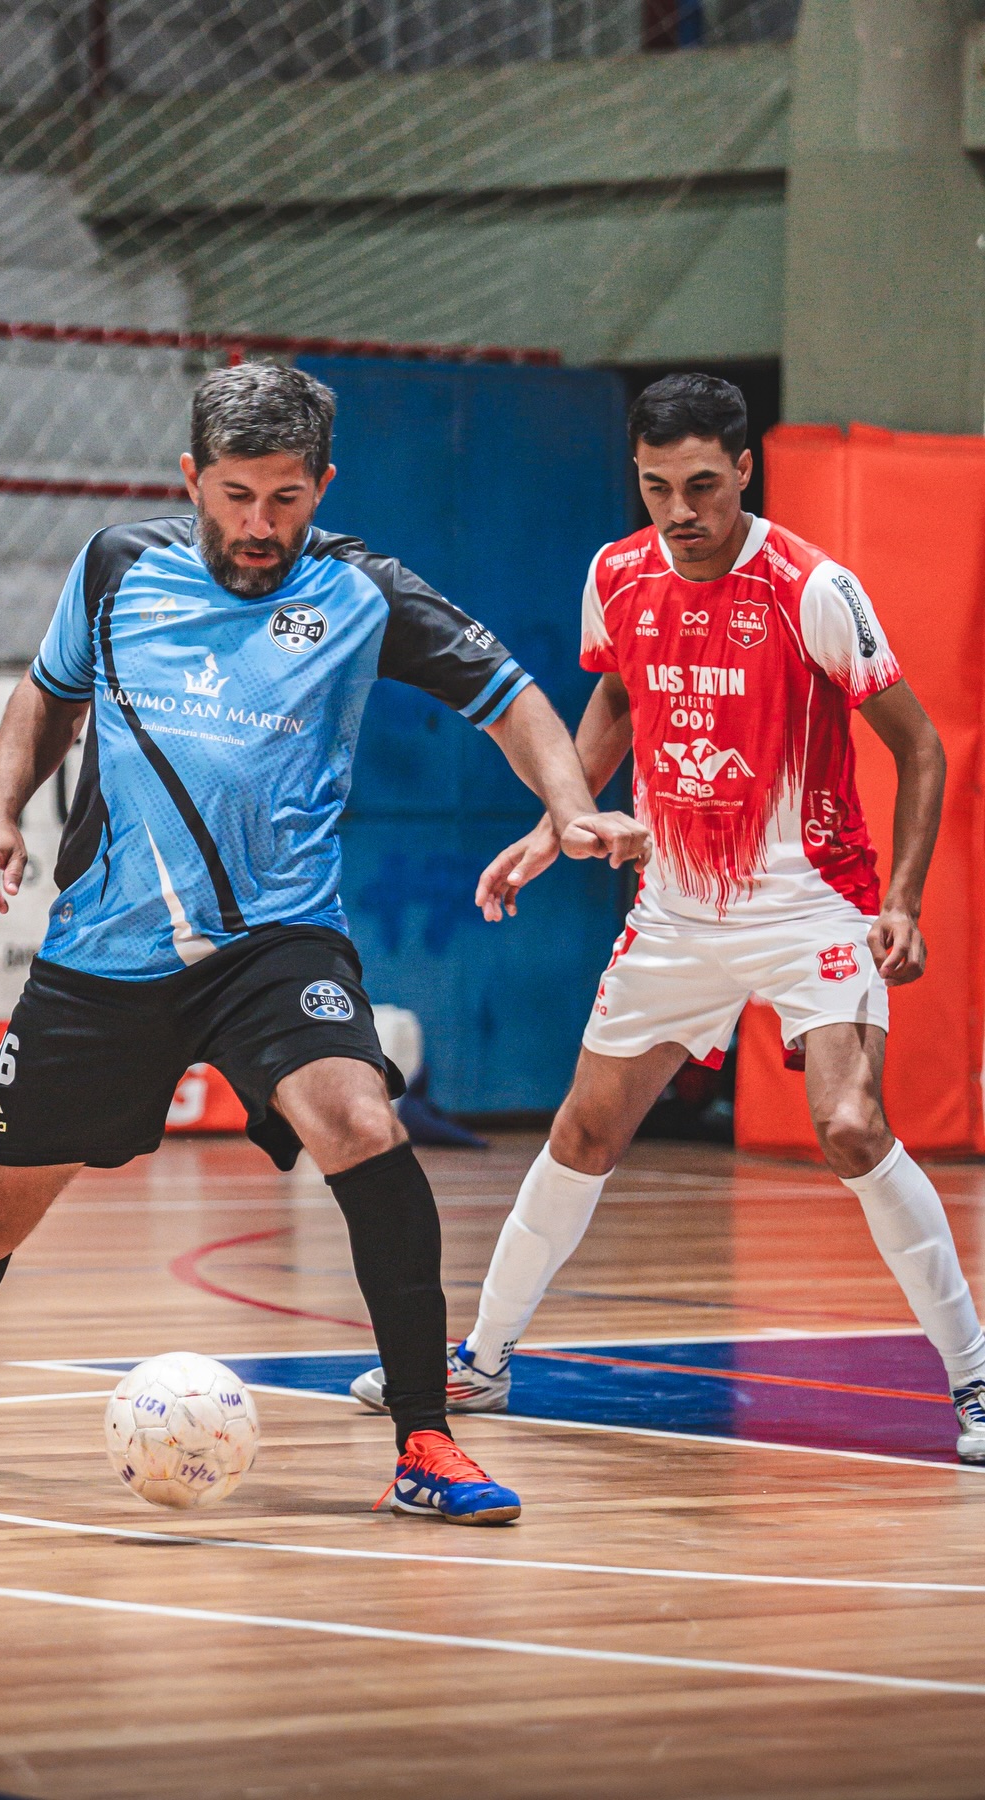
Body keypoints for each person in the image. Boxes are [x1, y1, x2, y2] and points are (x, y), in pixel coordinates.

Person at [0, 362, 649, 1524]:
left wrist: (571, 805)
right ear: (192, 478)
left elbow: (510, 695)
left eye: (286, 498)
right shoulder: (117, 567)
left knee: (362, 1123)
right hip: (105, 951)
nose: (259, 524)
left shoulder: (362, 591)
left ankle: (426, 1437)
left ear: (323, 484)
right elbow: (46, 696)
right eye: (236, 496)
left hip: (274, 943)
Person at [351, 372, 985, 1464]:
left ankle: (974, 1378)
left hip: (813, 907)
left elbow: (921, 746)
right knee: (582, 1131)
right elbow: (616, 696)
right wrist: (553, 826)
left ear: (745, 469)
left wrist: (903, 902)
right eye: (656, 487)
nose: (679, 511)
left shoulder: (813, 588)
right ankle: (484, 1360)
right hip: (678, 915)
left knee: (849, 1126)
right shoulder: (618, 574)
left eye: (701, 485)